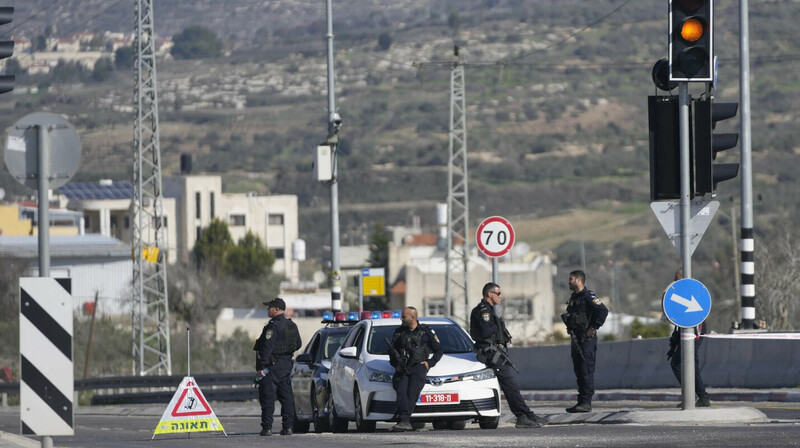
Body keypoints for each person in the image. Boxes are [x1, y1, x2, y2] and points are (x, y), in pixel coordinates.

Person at [470, 282, 547, 429]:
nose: (500, 296)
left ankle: (527, 414)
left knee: (511, 385)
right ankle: (522, 416)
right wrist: (496, 326)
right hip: (489, 353)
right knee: (510, 385)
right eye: (498, 293)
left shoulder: (489, 310)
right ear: (490, 294)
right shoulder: (483, 311)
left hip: (494, 351)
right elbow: (486, 333)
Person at [388, 306, 443, 432]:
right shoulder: (399, 332)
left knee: (412, 392)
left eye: (404, 316)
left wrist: (430, 363)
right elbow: (391, 352)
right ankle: (404, 421)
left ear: (412, 317)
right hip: (403, 367)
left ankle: (404, 420)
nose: (401, 318)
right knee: (401, 390)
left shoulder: (425, 332)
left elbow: (439, 350)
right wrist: (395, 364)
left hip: (418, 367)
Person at [253, 297, 302, 436]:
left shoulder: (273, 326)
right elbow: (298, 344)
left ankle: (267, 428)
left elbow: (267, 347)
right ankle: (288, 427)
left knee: (268, 396)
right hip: (286, 365)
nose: (267, 309)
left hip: (272, 366)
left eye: (269, 307)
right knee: (286, 397)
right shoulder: (291, 325)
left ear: (277, 309)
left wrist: (261, 366)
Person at [562, 270, 608, 413]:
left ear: (579, 280)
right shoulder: (574, 298)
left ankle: (586, 402)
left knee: (586, 370)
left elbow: (603, 311)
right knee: (579, 370)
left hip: (586, 339)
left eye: (571, 279)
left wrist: (593, 328)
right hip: (576, 339)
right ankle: (581, 402)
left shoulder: (588, 296)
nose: (569, 281)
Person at [665, 268, 711, 408]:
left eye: (678, 279)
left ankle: (701, 396)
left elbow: (693, 315)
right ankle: (692, 396)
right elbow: (679, 321)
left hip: (696, 327)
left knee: (689, 364)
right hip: (686, 328)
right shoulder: (680, 294)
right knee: (677, 363)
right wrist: (674, 342)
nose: (676, 282)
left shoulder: (689, 292)